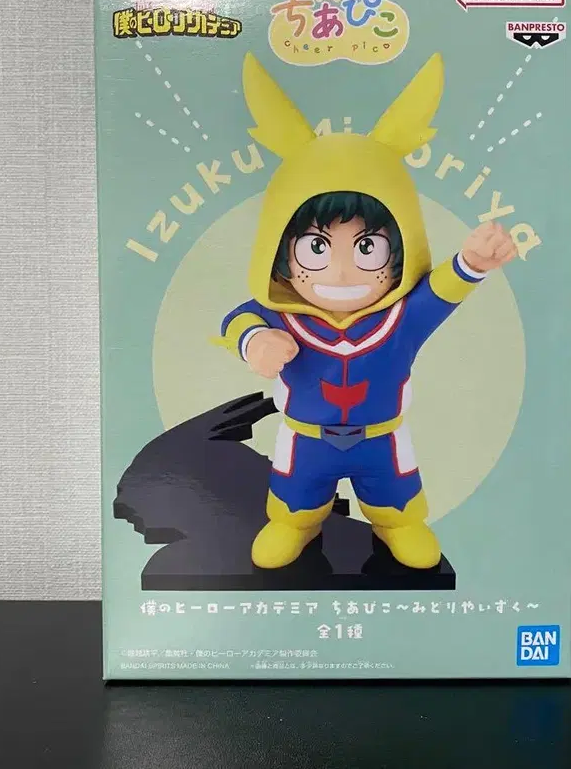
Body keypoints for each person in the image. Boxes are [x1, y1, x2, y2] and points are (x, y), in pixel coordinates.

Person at [218, 52, 516, 570]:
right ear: (280, 250)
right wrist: (256, 341)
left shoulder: (400, 321)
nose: (340, 271)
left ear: (400, 247)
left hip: (383, 439)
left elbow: (441, 291)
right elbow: (238, 318)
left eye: (367, 248)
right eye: (315, 247)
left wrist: (473, 262)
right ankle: (295, 523)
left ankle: (397, 523)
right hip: (305, 441)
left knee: (397, 498)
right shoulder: (285, 316)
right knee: (293, 500)